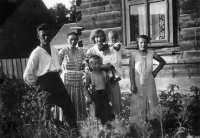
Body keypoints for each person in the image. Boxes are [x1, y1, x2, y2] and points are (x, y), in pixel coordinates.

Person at [23, 23, 77, 130]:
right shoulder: (36, 53)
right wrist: (38, 84)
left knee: (69, 107)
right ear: (38, 36)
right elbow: (27, 75)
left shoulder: (54, 50)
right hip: (44, 83)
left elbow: (57, 67)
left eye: (48, 35)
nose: (46, 37)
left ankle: (71, 132)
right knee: (45, 113)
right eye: (43, 35)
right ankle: (45, 134)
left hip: (56, 81)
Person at [129, 35, 166, 121]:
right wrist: (132, 84)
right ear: (138, 43)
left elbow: (162, 62)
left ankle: (152, 121)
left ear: (148, 43)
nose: (143, 44)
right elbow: (131, 70)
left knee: (151, 99)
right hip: (138, 80)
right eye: (141, 42)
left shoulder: (151, 53)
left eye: (145, 42)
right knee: (139, 100)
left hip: (150, 79)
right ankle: (139, 122)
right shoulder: (133, 55)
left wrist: (155, 72)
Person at [86, 29, 122, 115]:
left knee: (114, 98)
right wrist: (103, 66)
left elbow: (116, 60)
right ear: (93, 38)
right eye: (97, 37)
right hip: (98, 80)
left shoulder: (109, 47)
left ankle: (116, 120)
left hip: (111, 77)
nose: (99, 39)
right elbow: (90, 68)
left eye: (101, 36)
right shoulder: (91, 51)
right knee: (101, 101)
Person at [59, 32, 87, 121]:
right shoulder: (63, 51)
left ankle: (79, 122)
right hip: (67, 81)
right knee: (68, 101)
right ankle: (66, 123)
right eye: (71, 39)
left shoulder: (81, 52)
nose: (73, 41)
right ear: (67, 40)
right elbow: (57, 66)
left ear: (77, 40)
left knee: (78, 101)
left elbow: (86, 65)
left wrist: (85, 74)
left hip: (78, 80)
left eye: (75, 39)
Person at [85, 55, 114, 125]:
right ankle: (97, 131)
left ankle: (106, 130)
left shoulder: (104, 73)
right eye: (94, 64)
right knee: (96, 114)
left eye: (99, 63)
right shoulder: (90, 75)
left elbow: (109, 87)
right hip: (95, 96)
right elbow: (85, 87)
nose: (97, 65)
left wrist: (111, 98)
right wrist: (88, 97)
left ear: (101, 63)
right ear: (90, 65)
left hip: (104, 95)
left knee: (106, 113)